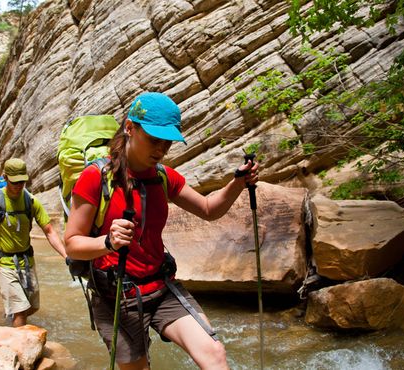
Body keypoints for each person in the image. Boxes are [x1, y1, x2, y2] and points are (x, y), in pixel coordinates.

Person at [64, 92, 259, 369]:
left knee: (214, 353)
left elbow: (208, 209)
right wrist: (107, 242)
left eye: (167, 142)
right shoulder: (96, 177)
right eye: (154, 139)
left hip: (161, 286)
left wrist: (237, 182)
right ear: (130, 128)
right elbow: (72, 243)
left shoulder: (163, 176)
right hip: (117, 296)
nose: (161, 148)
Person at [0, 158, 67, 327]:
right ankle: (20, 349)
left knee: (31, 307)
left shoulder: (30, 201)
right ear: (5, 178)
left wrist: (66, 255)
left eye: (22, 182)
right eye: (14, 182)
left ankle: (12, 321)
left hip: (27, 262)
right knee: (21, 311)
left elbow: (49, 231)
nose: (18, 186)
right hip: (4, 264)